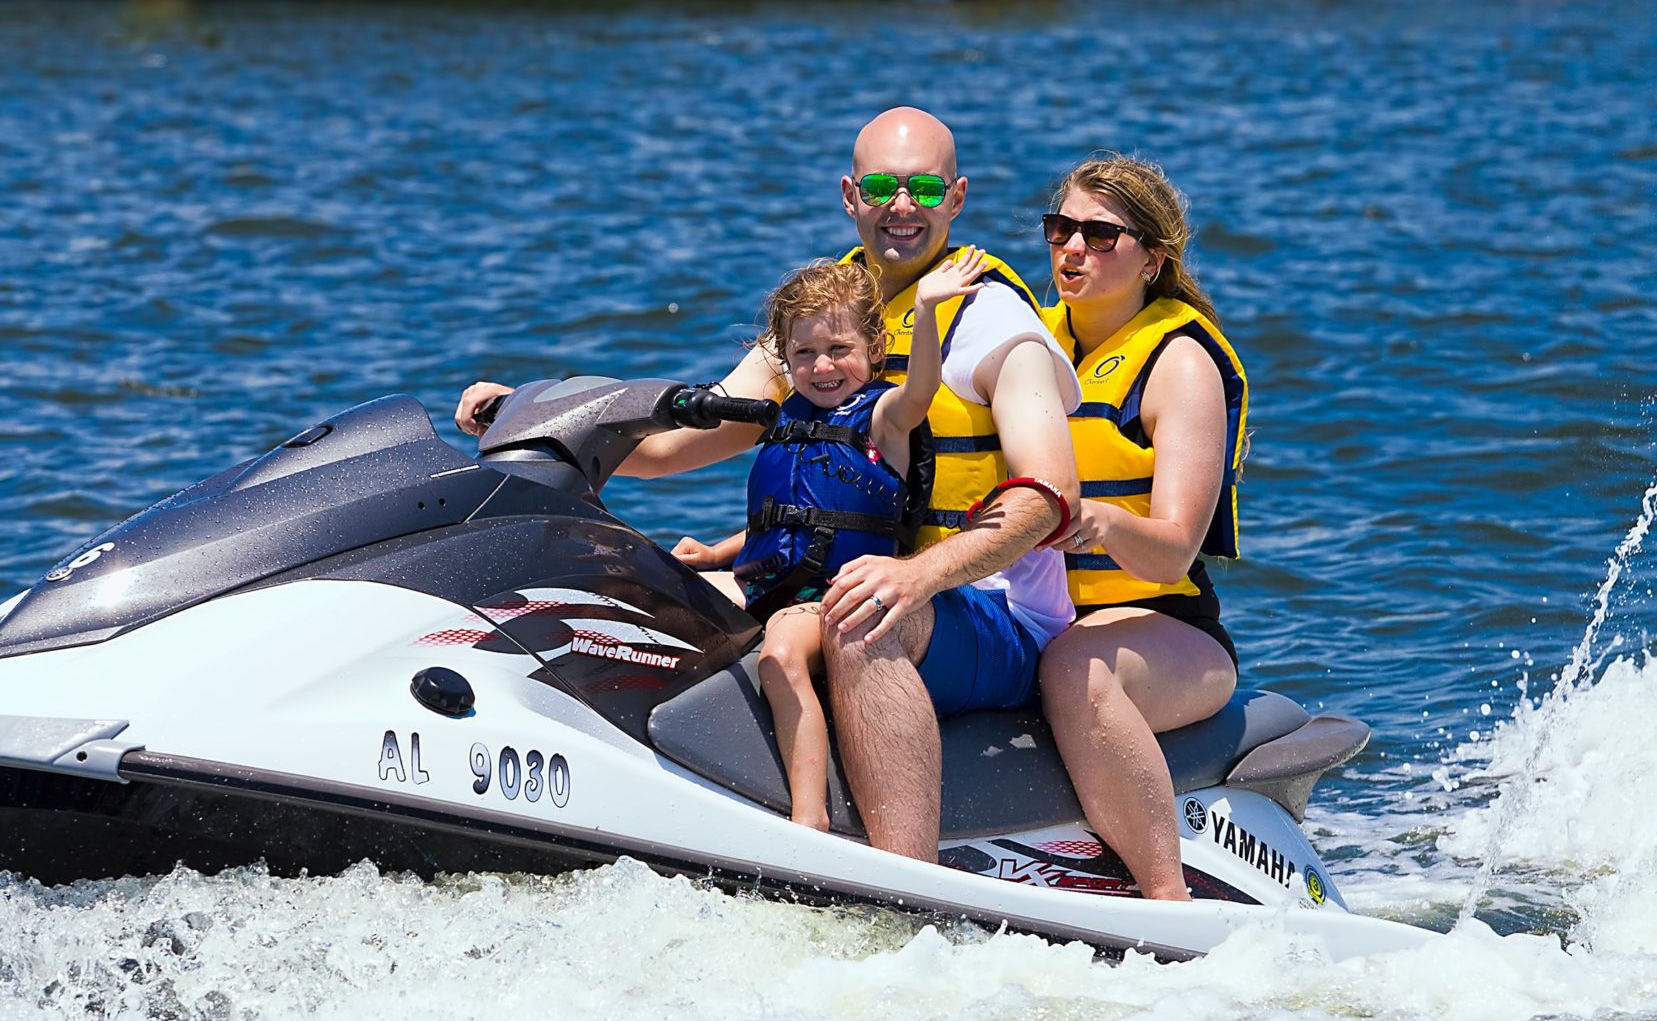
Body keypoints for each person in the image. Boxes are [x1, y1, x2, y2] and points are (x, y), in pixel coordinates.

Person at [456, 107, 1082, 864]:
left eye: (923, 187)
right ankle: (585, 823)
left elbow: (1048, 496)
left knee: (863, 608)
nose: (902, 206)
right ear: (851, 196)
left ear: (956, 198)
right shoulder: (826, 321)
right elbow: (670, 447)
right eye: (883, 186)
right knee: (634, 596)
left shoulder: (990, 321)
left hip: (997, 614)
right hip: (844, 581)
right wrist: (530, 413)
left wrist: (916, 576)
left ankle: (907, 884)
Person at [671, 250, 985, 832]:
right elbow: (795, 519)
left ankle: (808, 819)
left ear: (872, 346)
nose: (821, 367)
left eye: (839, 350)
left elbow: (921, 389)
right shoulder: (784, 417)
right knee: (657, 592)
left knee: (780, 656)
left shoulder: (885, 418)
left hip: (832, 596)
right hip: (769, 583)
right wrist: (715, 554)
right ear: (784, 358)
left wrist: (927, 310)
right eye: (804, 353)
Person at [1037, 154, 1249, 903]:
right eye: (1061, 228)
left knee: (1074, 671)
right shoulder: (1030, 343)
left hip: (1167, 627)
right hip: (1042, 613)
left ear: (1151, 258)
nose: (1072, 248)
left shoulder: (1177, 363)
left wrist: (1098, 521)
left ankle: (1167, 899)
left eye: (1100, 235)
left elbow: (1174, 549)